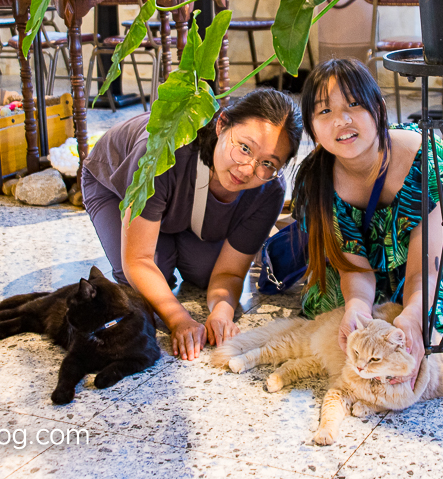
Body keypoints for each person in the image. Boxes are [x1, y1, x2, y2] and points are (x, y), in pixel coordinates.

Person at [81, 88, 302, 361]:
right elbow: (138, 260)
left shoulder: (269, 190)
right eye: (244, 148)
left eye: (267, 163)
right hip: (112, 186)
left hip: (182, 207)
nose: (247, 170)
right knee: (147, 275)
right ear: (222, 124)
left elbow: (230, 273)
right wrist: (178, 319)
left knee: (206, 274)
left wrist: (222, 310)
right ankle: (163, 237)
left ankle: (170, 233)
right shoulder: (161, 151)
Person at [291, 58, 443, 383]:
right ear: (312, 127)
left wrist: (415, 316)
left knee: (427, 311)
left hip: (428, 258)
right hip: (366, 260)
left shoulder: (425, 163)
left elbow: (424, 270)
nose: (341, 120)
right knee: (336, 308)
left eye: (354, 104)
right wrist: (357, 307)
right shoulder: (318, 180)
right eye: (324, 111)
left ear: (379, 107)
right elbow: (353, 267)